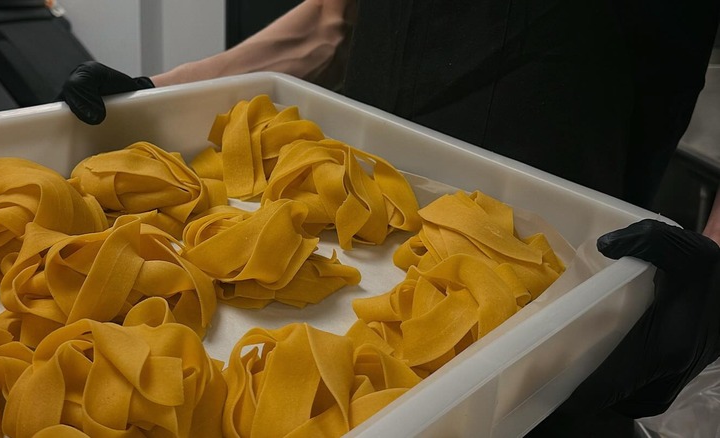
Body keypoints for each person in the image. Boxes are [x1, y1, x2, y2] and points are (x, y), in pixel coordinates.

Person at [59, 0, 720, 435]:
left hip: (562, 293)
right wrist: (167, 91)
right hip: (352, 222)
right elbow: (332, 20)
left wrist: (714, 279)